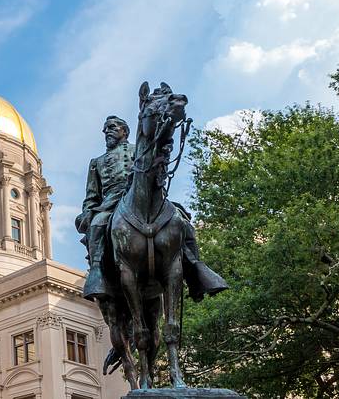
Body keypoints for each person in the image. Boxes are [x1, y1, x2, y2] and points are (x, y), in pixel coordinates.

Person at [75, 115, 228, 303]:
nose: (107, 131)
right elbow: (92, 195)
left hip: (143, 195)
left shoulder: (141, 150)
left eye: (112, 127)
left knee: (182, 221)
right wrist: (88, 212)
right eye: (106, 129)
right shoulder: (97, 162)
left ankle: (195, 269)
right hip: (112, 201)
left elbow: (158, 169)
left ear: (125, 131)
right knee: (98, 224)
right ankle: (97, 271)